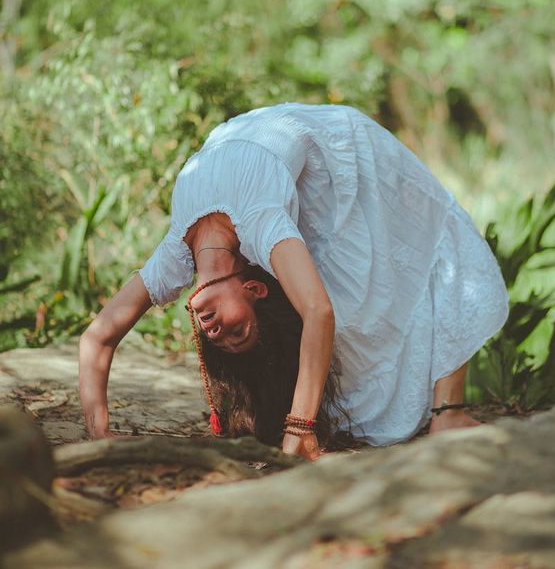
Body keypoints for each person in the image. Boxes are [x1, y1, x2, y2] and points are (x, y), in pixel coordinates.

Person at [79, 102, 509, 460]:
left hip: (338, 148)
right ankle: (437, 411)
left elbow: (96, 338)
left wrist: (299, 424)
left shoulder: (182, 250)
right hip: (321, 159)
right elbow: (318, 312)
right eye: (239, 333)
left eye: (227, 339)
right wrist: (101, 438)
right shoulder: (263, 226)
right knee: (380, 277)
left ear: (255, 287)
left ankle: (448, 410)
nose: (219, 336)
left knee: (436, 233)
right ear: (253, 289)